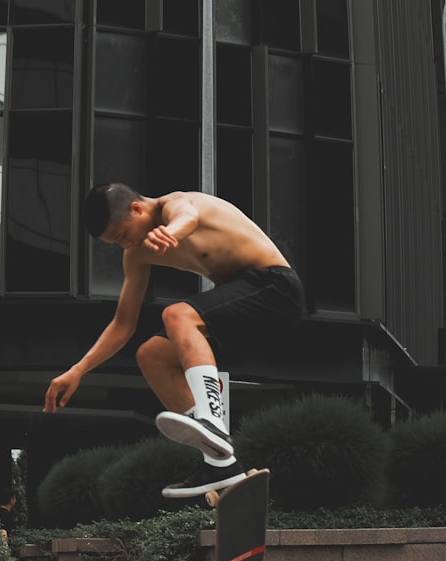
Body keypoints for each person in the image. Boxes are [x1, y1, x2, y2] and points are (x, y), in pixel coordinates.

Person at [44, 183, 305, 497]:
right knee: (151, 356)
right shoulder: (135, 255)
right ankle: (220, 464)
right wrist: (78, 370)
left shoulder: (176, 204)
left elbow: (188, 218)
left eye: (124, 235)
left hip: (275, 288)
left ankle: (212, 426)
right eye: (116, 243)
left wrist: (172, 232)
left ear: (136, 209)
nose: (125, 245)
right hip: (244, 301)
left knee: (177, 315)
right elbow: (123, 324)